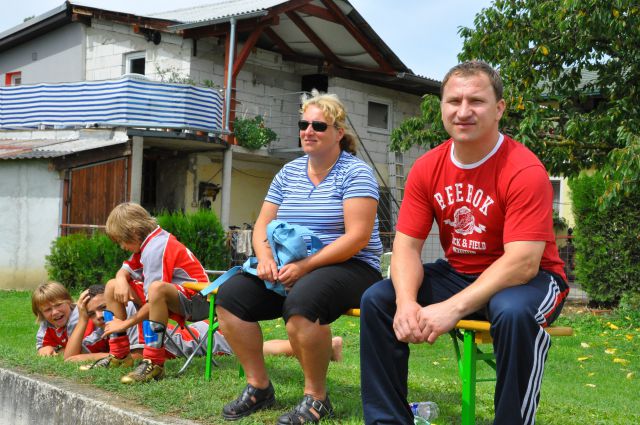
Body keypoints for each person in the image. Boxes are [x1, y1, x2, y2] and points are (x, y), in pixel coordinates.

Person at [360, 61, 570, 425]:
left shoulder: (524, 169)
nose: (463, 111)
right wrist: (407, 303)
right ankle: (387, 421)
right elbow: (407, 247)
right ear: (441, 106)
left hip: (531, 280)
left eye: (477, 101)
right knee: (378, 299)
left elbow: (522, 262)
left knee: (513, 312)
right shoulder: (428, 167)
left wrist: (452, 309)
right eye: (453, 101)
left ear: (499, 108)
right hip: (460, 273)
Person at [216, 90, 382, 423]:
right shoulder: (289, 171)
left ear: (338, 132)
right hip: (290, 263)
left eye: (319, 125)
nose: (308, 131)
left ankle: (317, 398)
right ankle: (259, 386)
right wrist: (264, 258)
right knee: (230, 297)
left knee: (302, 306)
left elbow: (357, 237)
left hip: (351, 265)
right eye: (303, 123)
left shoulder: (356, 173)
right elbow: (263, 223)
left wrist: (304, 267)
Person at [65, 284, 344, 364]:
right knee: (257, 349)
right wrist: (80, 321)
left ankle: (327, 346)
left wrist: (111, 356)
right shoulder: (104, 329)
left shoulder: (132, 317)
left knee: (257, 351)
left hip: (194, 336)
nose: (101, 316)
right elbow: (70, 358)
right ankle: (326, 347)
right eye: (93, 314)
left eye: (104, 309)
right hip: (189, 337)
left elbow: (132, 357)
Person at [100, 202, 212, 384]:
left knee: (156, 288)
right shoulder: (149, 240)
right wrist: (120, 278)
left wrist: (126, 323)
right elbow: (128, 267)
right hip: (178, 297)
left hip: (201, 302)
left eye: (122, 240)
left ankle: (154, 362)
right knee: (112, 285)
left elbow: (154, 297)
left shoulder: (156, 247)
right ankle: (120, 355)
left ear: (135, 232)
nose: (122, 246)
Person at [32, 281, 103, 356]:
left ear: (69, 301)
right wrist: (45, 348)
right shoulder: (48, 323)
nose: (55, 312)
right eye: (47, 310)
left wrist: (61, 350)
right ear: (41, 314)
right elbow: (42, 344)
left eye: (58, 305)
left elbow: (80, 351)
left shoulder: (79, 318)